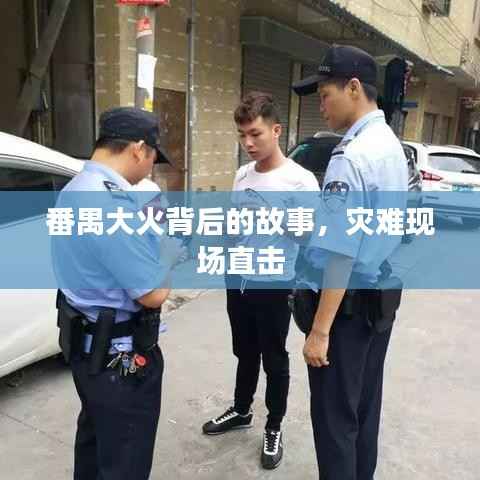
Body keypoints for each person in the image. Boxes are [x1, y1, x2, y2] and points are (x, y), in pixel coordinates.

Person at [292, 45, 408, 480]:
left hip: (345, 310)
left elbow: (340, 252)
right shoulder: (390, 145)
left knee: (335, 422)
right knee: (363, 411)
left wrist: (319, 332)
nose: (321, 106)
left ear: (354, 88)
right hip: (376, 300)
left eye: (325, 94)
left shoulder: (351, 156)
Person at [52, 107, 185, 480]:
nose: (152, 167)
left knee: (95, 447)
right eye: (154, 157)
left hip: (87, 352)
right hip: (119, 362)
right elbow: (152, 294)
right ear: (139, 149)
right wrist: (169, 251)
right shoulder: (110, 205)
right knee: (125, 459)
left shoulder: (75, 188)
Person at [201, 92, 319, 469]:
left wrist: (272, 218)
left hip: (274, 282)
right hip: (237, 277)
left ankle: (274, 425)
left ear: (276, 130)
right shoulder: (242, 175)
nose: (248, 143)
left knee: (274, 357)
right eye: (242, 135)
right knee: (244, 350)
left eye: (255, 134)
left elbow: (310, 236)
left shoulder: (300, 181)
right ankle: (241, 410)